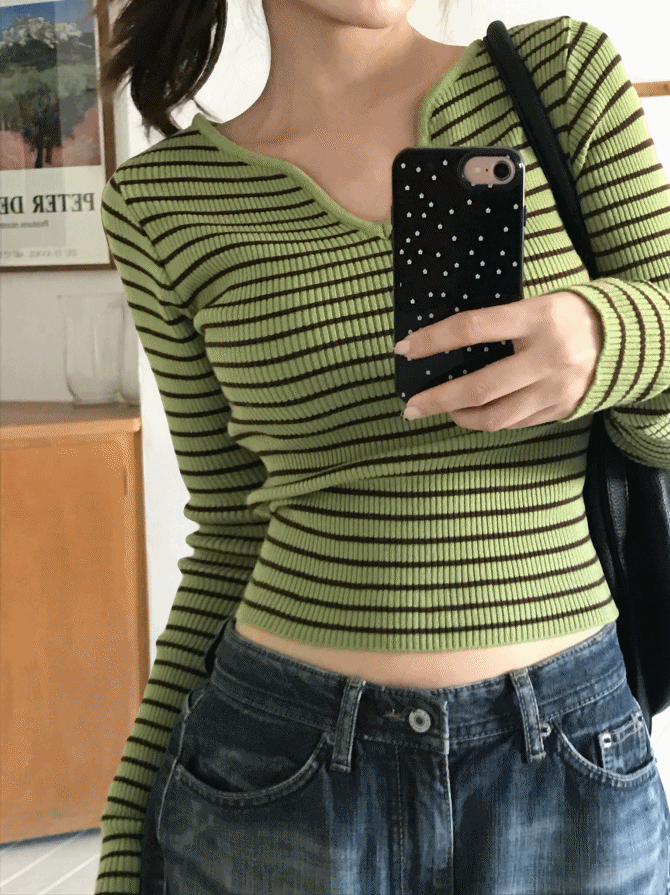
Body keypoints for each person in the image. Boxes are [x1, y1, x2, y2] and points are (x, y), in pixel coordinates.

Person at [92, 1, 670, 892]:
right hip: (275, 765)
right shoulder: (161, 203)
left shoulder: (560, 80)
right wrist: (129, 836)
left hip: (566, 758)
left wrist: (605, 341)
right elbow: (229, 540)